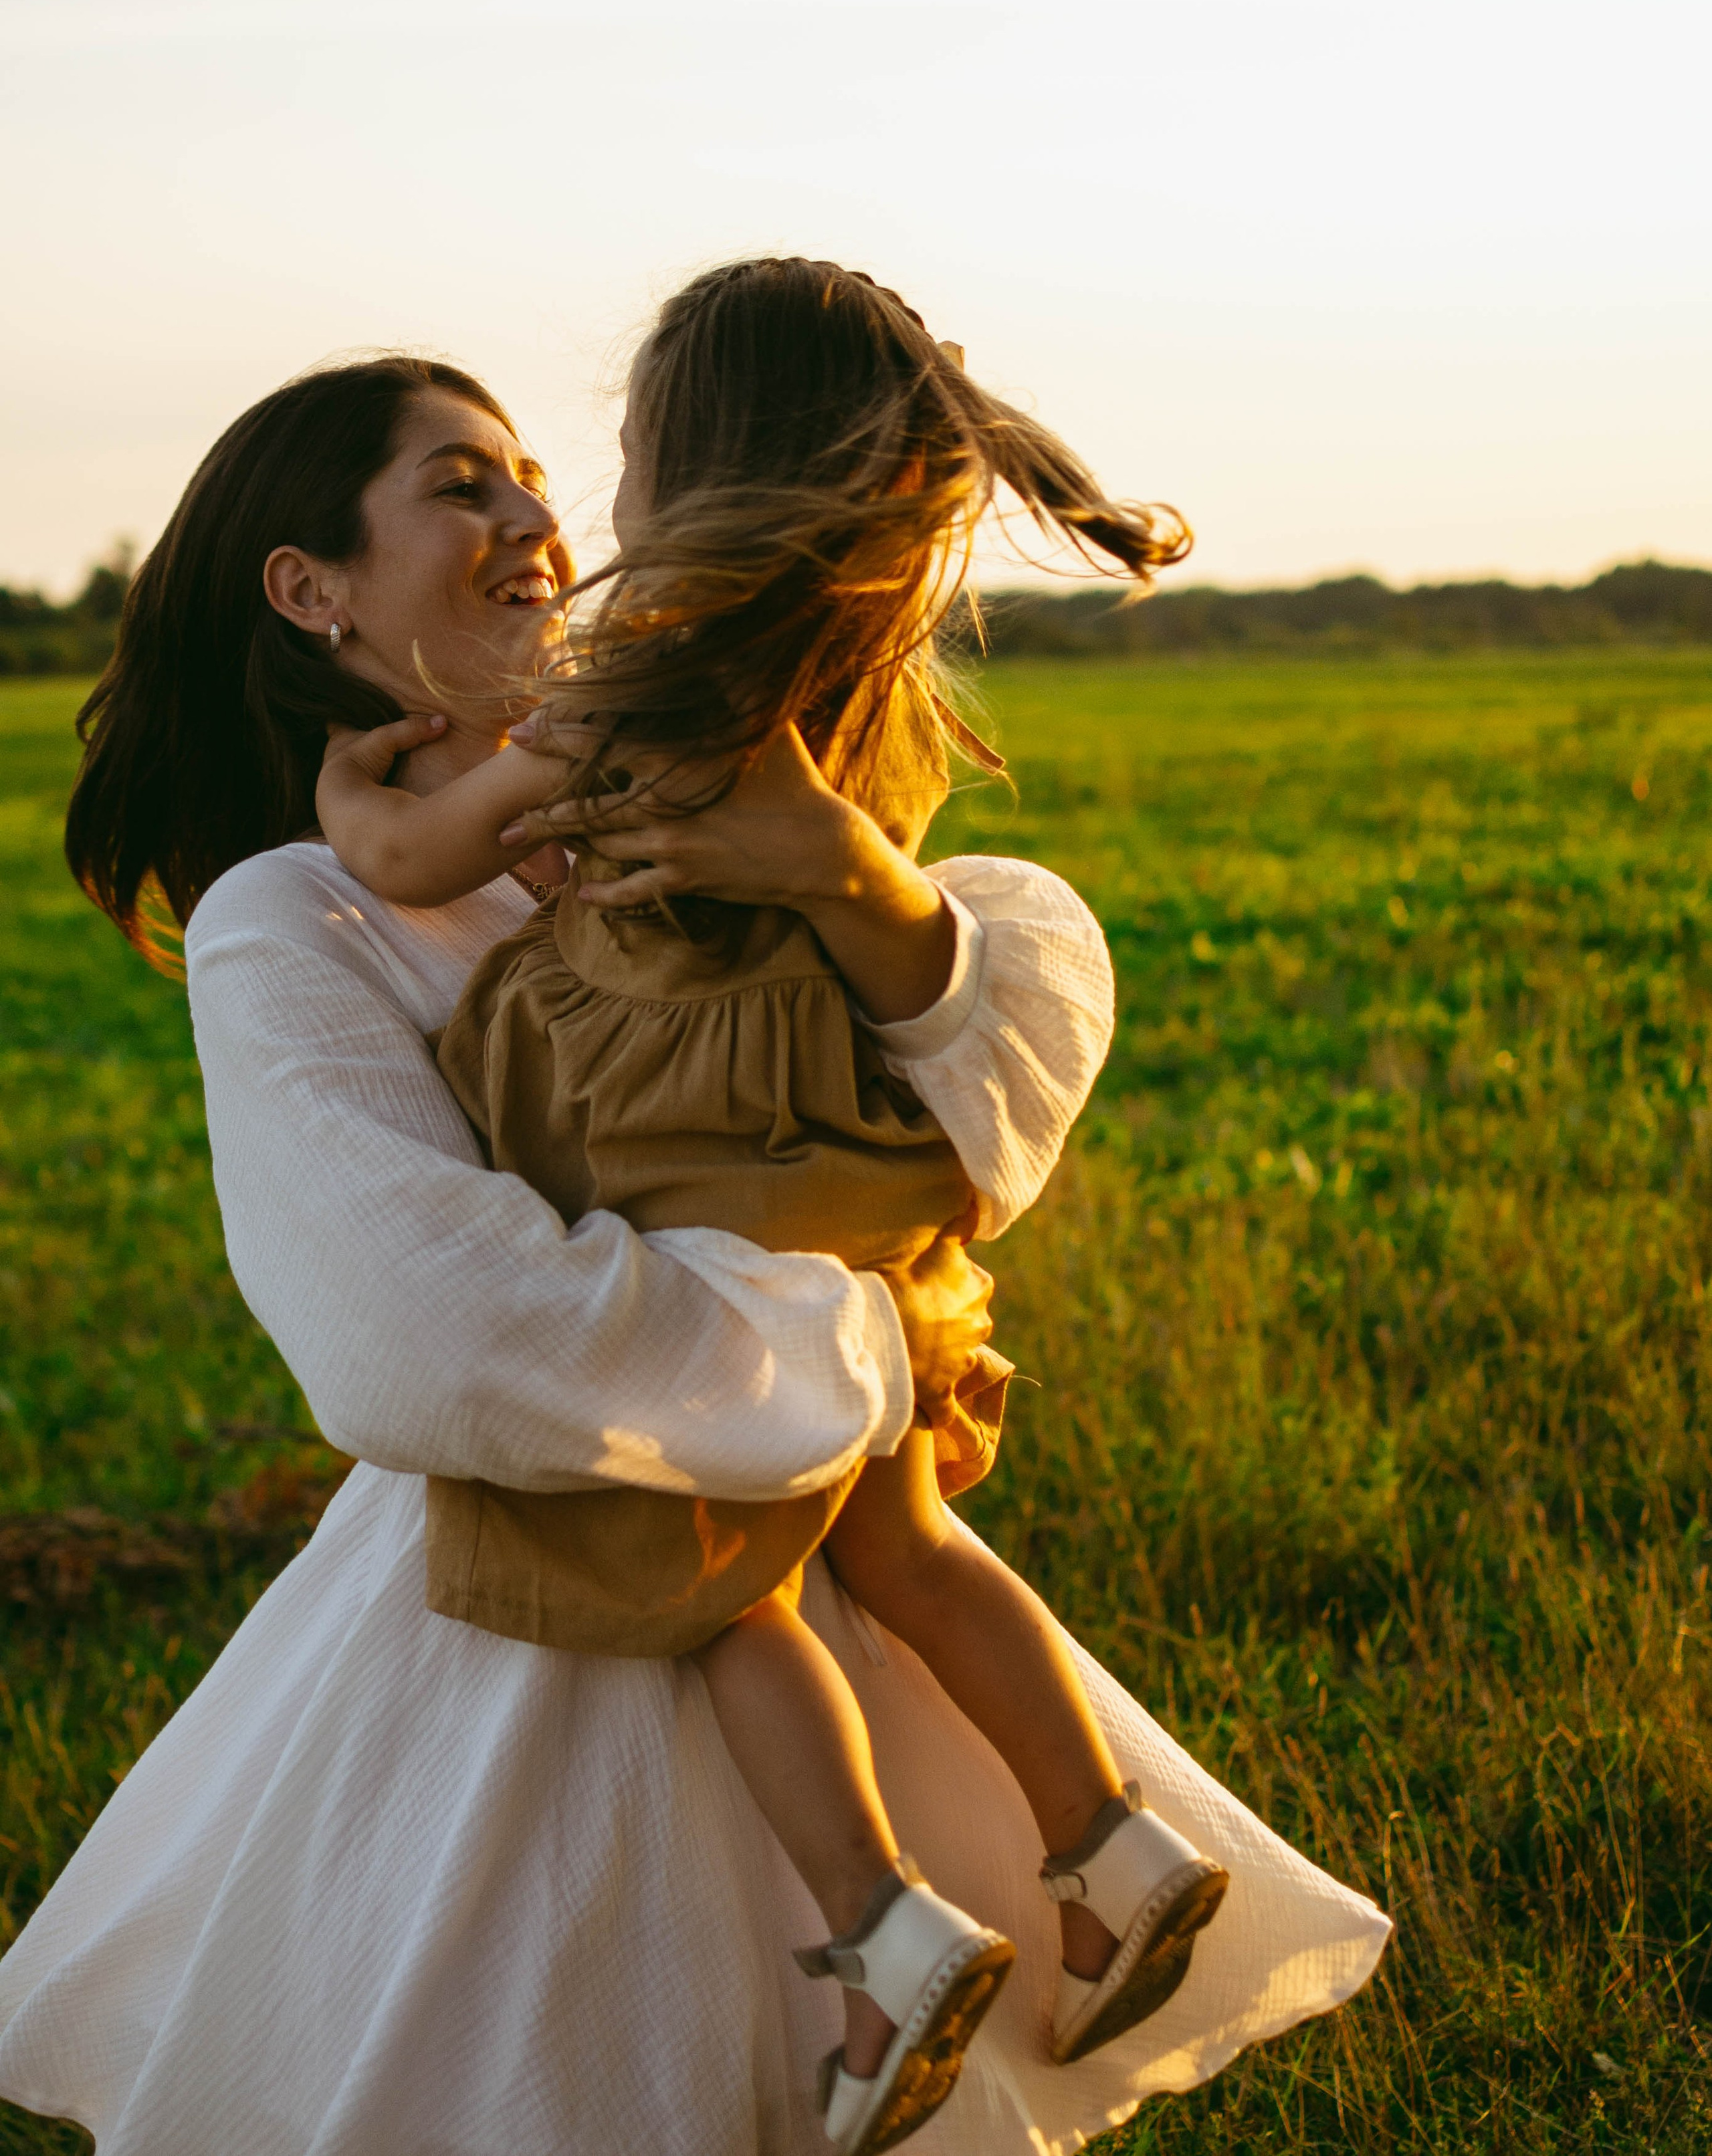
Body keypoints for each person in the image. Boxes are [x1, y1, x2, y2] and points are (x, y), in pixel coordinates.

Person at [0, 348, 1390, 2156]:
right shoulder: (302, 911)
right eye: (459, 484)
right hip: (534, 1612)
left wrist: (855, 877)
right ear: (308, 588)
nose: (532, 517)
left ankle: (1034, 1876)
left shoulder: (643, 817)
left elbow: (972, 1101)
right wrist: (857, 1340)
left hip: (809, 1584)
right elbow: (425, 1333)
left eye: (532, 476)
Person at [314, 261, 1227, 2155]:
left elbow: (422, 849)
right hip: (849, 1165)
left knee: (710, 1585)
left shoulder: (644, 670)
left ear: (698, 463)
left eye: (631, 445)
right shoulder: (856, 670)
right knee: (897, 1536)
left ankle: (885, 1931)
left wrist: (358, 812)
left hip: (710, 1171)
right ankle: (1112, 1847)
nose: (601, 498)